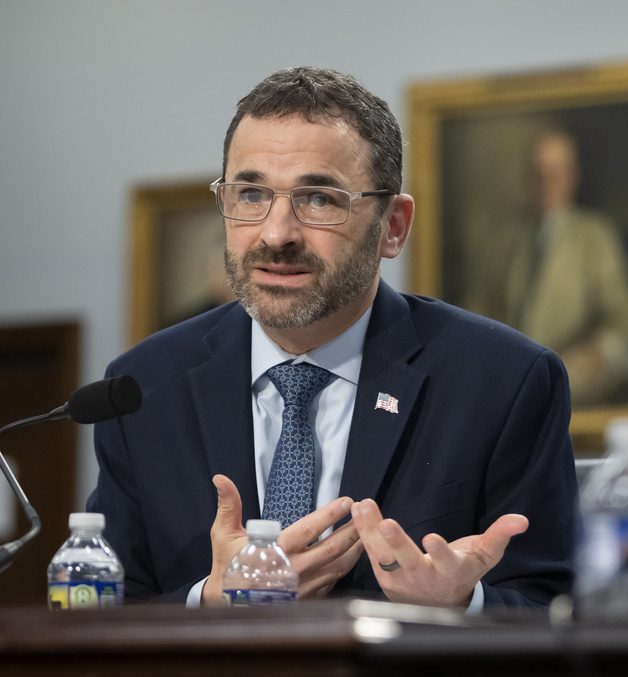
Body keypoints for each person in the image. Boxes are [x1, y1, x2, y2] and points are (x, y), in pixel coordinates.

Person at [87, 67, 579, 609]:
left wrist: (461, 605)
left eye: (319, 198)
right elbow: (101, 615)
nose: (276, 234)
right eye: (251, 194)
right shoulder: (144, 387)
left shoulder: (503, 380)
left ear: (393, 226)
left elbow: (556, 607)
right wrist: (209, 602)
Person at [503, 130, 628, 406]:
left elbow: (625, 322)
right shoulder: (512, 241)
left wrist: (597, 353)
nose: (546, 183)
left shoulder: (594, 236)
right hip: (513, 388)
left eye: (554, 173)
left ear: (571, 176)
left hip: (572, 386)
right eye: (538, 173)